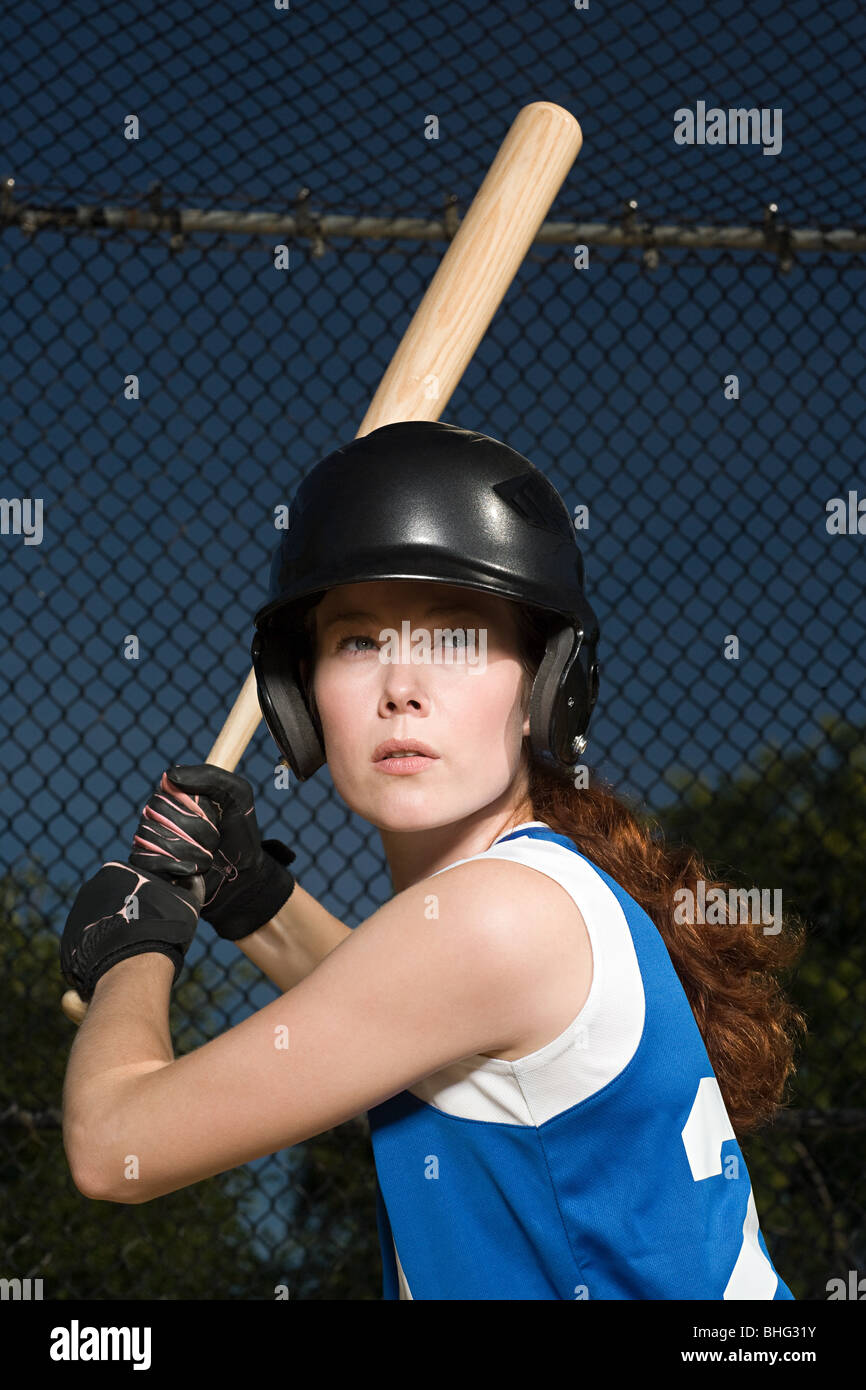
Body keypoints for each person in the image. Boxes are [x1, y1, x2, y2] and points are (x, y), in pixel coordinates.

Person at [60, 420, 807, 1300]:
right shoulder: (531, 899)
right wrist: (250, 895)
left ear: (542, 687)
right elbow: (385, 1009)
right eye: (358, 640)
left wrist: (133, 949)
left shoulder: (497, 919)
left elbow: (114, 1147)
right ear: (301, 697)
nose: (401, 685)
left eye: (453, 638)